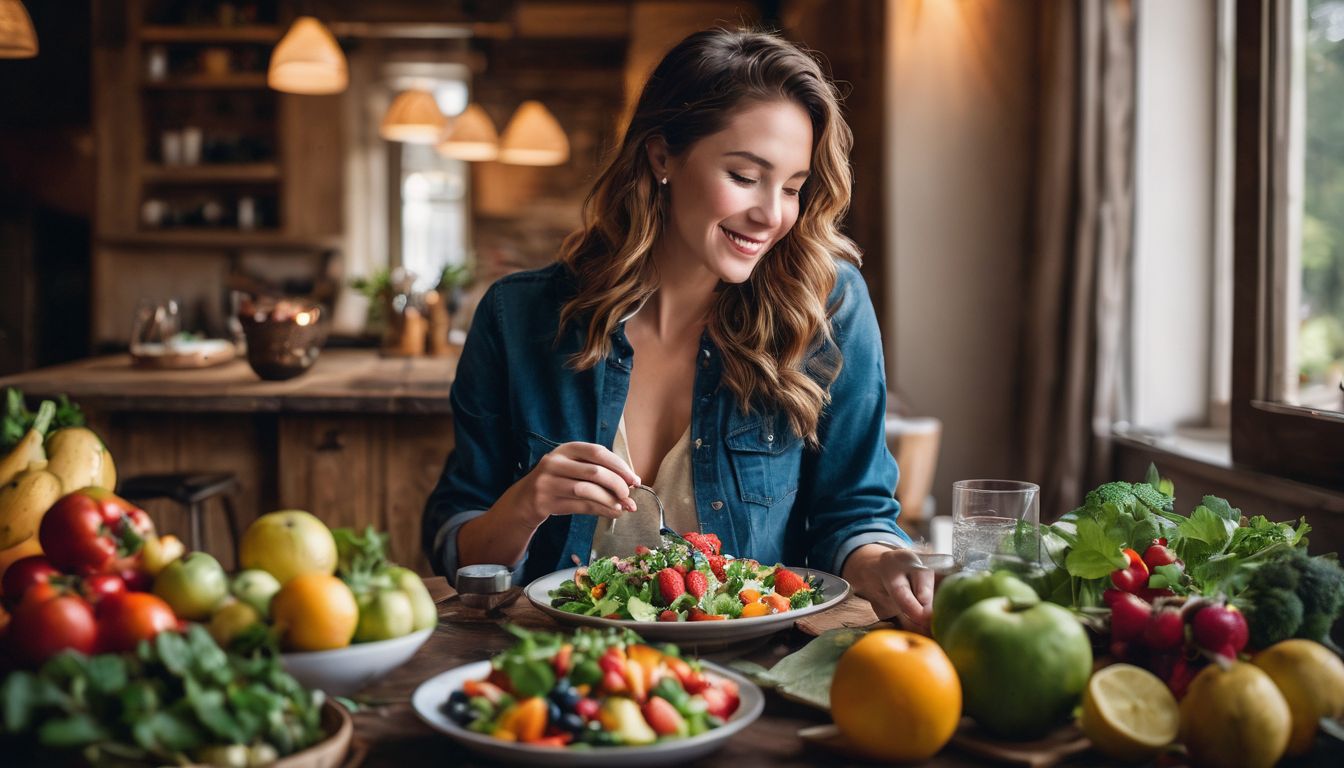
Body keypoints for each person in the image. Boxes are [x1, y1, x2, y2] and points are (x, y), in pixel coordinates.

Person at [422, 28, 934, 632]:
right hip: (557, 670)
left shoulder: (826, 306)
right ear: (662, 157)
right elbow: (457, 548)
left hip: (750, 673)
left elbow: (852, 513)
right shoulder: (518, 318)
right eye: (745, 176)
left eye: (793, 188)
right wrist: (526, 503)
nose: (772, 215)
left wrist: (885, 565)